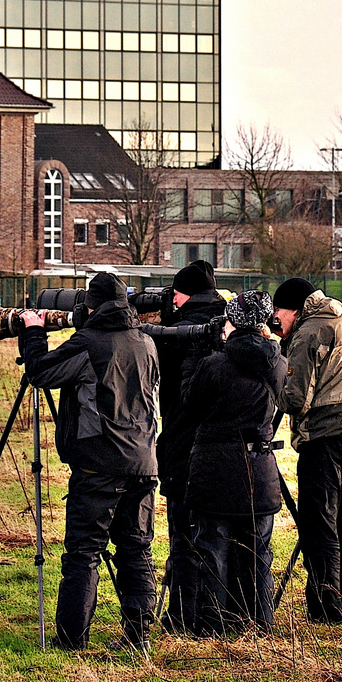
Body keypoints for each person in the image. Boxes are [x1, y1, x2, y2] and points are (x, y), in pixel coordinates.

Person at [19, 271, 161, 651]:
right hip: (143, 462)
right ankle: (139, 636)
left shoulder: (89, 343)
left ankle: (71, 640)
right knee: (136, 549)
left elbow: (41, 373)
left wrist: (33, 332)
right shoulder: (145, 342)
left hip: (99, 464)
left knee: (83, 553)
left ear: (90, 306)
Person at [178, 290, 286, 635]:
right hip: (260, 463)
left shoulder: (214, 364)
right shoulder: (277, 361)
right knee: (258, 552)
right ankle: (260, 624)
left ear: (231, 321)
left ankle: (212, 627)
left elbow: (189, 406)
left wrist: (195, 357)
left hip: (216, 466)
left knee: (212, 549)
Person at [273, 276, 342, 625]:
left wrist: (274, 382)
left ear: (293, 309)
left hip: (324, 439)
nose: (275, 320)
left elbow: (296, 397)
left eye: (278, 312)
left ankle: (326, 607)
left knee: (320, 524)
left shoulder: (310, 331)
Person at [152, 260, 228, 633]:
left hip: (183, 442)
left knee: (183, 536)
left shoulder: (175, 334)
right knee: (219, 535)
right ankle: (220, 612)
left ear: (184, 296)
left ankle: (183, 616)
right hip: (226, 447)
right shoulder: (229, 324)